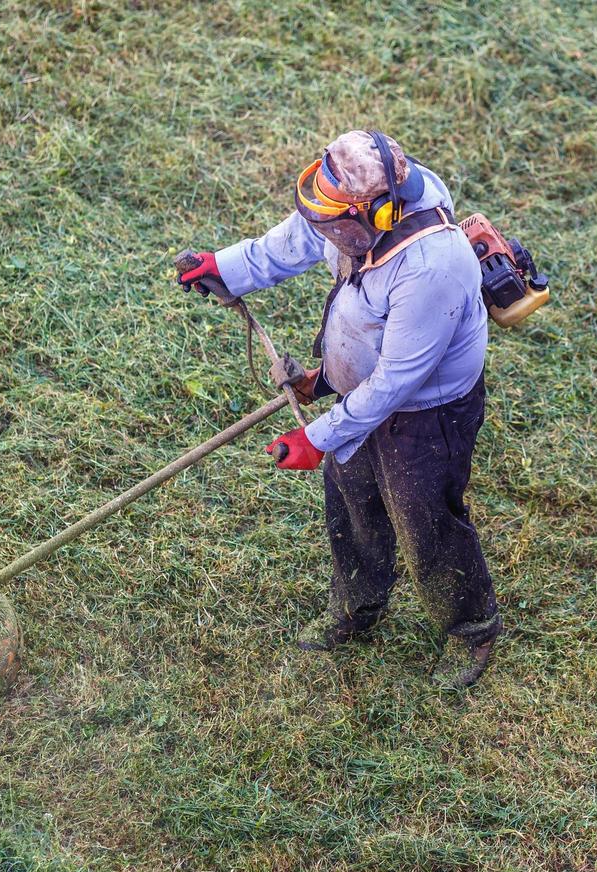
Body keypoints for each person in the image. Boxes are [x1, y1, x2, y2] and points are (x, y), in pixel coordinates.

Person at [178, 130, 500, 688]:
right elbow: (296, 239)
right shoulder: (356, 206)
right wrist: (224, 269)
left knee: (424, 519)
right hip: (362, 395)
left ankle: (471, 628)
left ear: (375, 216)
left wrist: (319, 435)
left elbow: (397, 380)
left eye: (333, 224)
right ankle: (358, 608)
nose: (322, 231)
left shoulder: (432, 265)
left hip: (426, 415)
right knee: (353, 503)